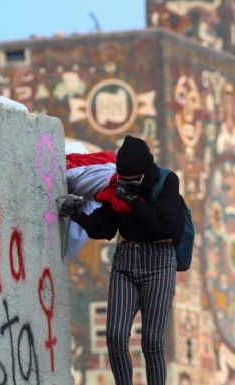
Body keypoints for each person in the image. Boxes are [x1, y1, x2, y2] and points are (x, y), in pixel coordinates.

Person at [60, 135, 185, 385]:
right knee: (115, 336)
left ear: (146, 170)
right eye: (125, 180)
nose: (129, 185)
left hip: (159, 261)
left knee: (152, 340)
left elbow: (164, 227)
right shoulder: (118, 187)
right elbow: (104, 227)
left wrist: (134, 203)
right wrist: (77, 216)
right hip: (126, 261)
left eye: (135, 181)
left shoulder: (166, 182)